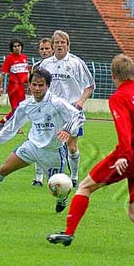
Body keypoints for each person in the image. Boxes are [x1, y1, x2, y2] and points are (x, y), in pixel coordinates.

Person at [46, 54, 134, 257]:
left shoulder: (119, 97)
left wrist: (124, 154)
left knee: (85, 186)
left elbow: (123, 127)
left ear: (114, 76)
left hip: (132, 153)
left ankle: (68, 233)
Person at [0, 67, 85, 212]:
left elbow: (79, 116)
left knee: (57, 186)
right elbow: (14, 124)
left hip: (53, 153)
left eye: (41, 85)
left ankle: (61, 199)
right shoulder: (26, 105)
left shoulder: (57, 103)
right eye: (34, 84)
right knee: (3, 169)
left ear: (48, 86)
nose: (37, 88)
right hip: (31, 146)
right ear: (29, 85)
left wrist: (67, 129)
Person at [40, 30, 95, 188]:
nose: (59, 45)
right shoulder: (46, 64)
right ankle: (50, 177)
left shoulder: (76, 63)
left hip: (71, 110)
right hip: (52, 110)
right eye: (56, 42)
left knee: (71, 146)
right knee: (49, 144)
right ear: (53, 45)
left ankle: (74, 176)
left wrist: (81, 102)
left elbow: (90, 85)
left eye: (62, 42)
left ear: (68, 45)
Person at [31, 37, 54, 187]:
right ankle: (38, 178)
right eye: (42, 49)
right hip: (40, 109)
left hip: (55, 110)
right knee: (39, 141)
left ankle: (56, 176)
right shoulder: (36, 67)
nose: (45, 51)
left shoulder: (57, 65)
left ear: (52, 49)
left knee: (55, 144)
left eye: (47, 48)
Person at [0, 37, 29, 130]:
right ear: (12, 48)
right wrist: (0, 86)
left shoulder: (24, 58)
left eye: (18, 46)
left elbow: (27, 73)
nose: (17, 48)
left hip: (22, 86)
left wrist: (30, 85)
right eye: (14, 46)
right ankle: (7, 124)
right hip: (13, 86)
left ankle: (3, 122)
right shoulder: (9, 59)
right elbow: (2, 74)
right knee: (16, 108)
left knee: (21, 107)